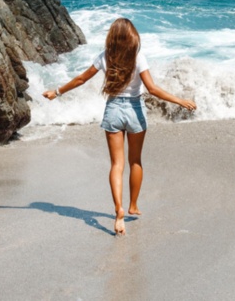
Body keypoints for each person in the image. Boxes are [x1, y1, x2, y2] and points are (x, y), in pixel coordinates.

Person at [43, 18, 197, 236]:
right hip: (135, 111)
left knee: (117, 164)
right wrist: (180, 100)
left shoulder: (105, 57)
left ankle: (118, 210)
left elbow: (80, 79)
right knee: (135, 161)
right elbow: (152, 89)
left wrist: (56, 92)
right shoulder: (138, 57)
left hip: (113, 110)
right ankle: (133, 205)